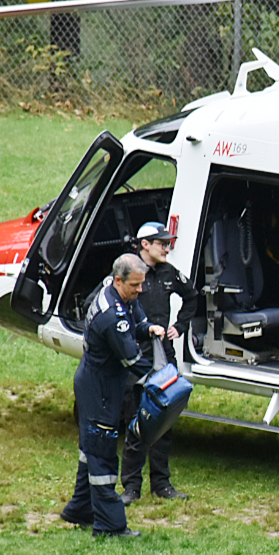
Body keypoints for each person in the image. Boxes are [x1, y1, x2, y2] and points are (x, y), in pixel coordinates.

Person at [61, 254, 165, 537]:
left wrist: (149, 328)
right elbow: (132, 359)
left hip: (100, 383)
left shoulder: (119, 293)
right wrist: (162, 380)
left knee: (90, 451)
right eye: (135, 285)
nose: (140, 291)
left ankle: (80, 509)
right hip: (100, 389)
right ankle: (109, 525)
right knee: (102, 454)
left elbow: (136, 324)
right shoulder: (111, 315)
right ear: (119, 280)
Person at [119, 222, 198, 504]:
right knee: (134, 422)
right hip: (135, 357)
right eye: (161, 243)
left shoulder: (169, 273)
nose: (168, 247)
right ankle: (131, 487)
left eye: (169, 242)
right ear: (144, 245)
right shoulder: (127, 271)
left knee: (164, 420)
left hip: (163, 357)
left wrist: (179, 326)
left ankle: (162, 485)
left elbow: (192, 297)